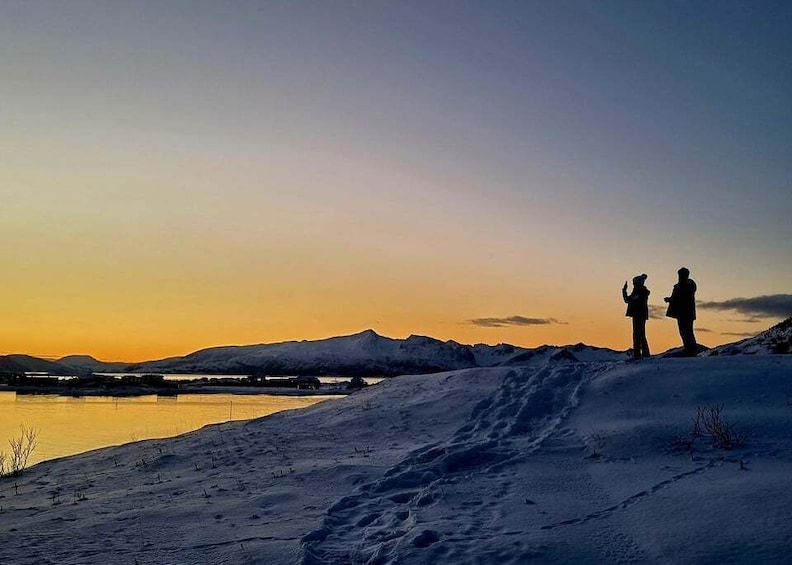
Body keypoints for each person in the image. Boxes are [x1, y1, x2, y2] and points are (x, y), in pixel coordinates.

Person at [664, 267, 698, 356]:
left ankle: (691, 351)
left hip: (686, 313)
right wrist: (670, 299)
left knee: (687, 332)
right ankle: (688, 350)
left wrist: (671, 299)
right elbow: (676, 298)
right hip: (681, 313)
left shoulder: (688, 286)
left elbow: (682, 298)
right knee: (684, 332)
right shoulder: (680, 286)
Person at [622, 273, 650, 359]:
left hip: (639, 315)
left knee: (640, 334)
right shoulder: (638, 291)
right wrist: (624, 291)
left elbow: (630, 300)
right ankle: (638, 353)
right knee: (638, 334)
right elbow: (628, 300)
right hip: (637, 315)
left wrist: (624, 291)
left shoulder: (641, 292)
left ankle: (642, 353)